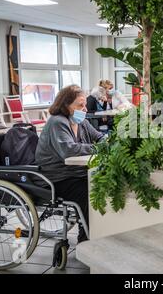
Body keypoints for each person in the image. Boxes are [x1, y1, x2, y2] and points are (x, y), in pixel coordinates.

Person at [35, 85, 104, 243]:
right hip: (57, 177)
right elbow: (69, 151)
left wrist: (107, 142)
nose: (85, 109)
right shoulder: (57, 122)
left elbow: (99, 137)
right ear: (66, 105)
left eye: (85, 104)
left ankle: (96, 233)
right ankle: (85, 239)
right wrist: (100, 147)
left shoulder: (81, 122)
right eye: (80, 105)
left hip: (76, 173)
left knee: (101, 184)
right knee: (89, 192)